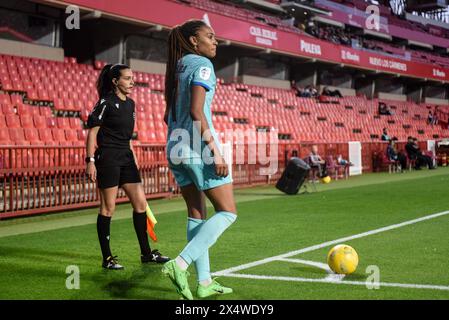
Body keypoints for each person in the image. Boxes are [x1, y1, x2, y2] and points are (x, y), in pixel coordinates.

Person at [161, 19, 237, 300]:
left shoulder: (177, 68)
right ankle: (179, 264)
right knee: (228, 212)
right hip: (196, 147)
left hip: (174, 146)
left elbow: (168, 116)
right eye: (210, 36)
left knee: (197, 213)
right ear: (194, 40)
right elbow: (196, 111)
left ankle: (204, 282)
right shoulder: (202, 65)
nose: (215, 41)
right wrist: (214, 150)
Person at [86, 64, 169, 270]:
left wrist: (134, 158)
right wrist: (90, 161)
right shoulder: (105, 103)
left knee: (141, 204)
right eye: (127, 78)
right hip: (108, 158)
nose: (132, 82)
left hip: (126, 157)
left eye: (132, 78)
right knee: (108, 208)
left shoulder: (131, 104)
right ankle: (107, 259)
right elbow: (92, 134)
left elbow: (128, 137)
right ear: (115, 81)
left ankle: (146, 254)